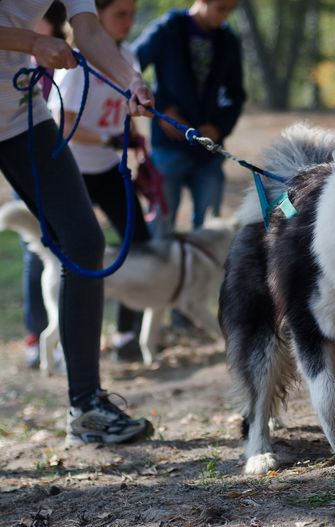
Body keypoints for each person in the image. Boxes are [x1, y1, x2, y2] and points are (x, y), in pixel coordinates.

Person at [0, 0, 155, 444]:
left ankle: (85, 407)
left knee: (84, 242)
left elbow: (87, 30)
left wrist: (131, 80)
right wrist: (32, 41)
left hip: (18, 113)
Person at [48, 0, 151, 362]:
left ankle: (127, 335)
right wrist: (110, 139)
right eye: (119, 14)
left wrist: (135, 139)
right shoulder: (75, 65)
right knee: (72, 253)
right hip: (72, 168)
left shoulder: (130, 59)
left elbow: (124, 106)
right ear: (96, 17)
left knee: (139, 240)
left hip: (108, 168)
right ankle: (55, 342)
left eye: (132, 13)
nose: (129, 21)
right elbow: (63, 127)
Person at [133, 0, 244, 235]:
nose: (225, 16)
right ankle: (161, 273)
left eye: (231, 10)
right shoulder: (167, 30)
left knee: (210, 232)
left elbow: (236, 95)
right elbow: (130, 69)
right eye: (221, 8)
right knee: (161, 228)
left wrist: (219, 126)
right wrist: (161, 111)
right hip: (168, 149)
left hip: (208, 153)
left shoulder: (228, 41)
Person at [18, 1, 68, 369]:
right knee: (39, 249)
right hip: (27, 147)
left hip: (56, 155)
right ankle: (35, 334)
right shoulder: (29, 56)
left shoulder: (62, 60)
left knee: (75, 245)